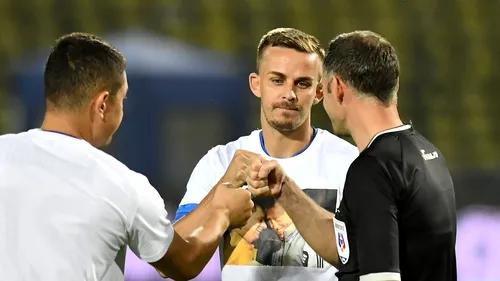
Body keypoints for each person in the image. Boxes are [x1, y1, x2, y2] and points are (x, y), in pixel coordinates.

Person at [0, 32, 254, 281]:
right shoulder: (121, 184)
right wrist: (223, 215)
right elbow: (182, 263)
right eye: (122, 100)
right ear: (102, 104)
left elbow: (165, 241)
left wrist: (220, 188)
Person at [245, 30, 457, 281]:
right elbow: (348, 247)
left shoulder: (372, 170)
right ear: (395, 85)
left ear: (338, 87)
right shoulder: (426, 153)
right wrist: (284, 189)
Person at [174, 28, 359, 281]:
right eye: (277, 80)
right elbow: (171, 257)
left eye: (302, 83)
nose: (289, 94)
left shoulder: (350, 163)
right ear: (256, 84)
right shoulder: (220, 161)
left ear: (318, 92)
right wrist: (222, 187)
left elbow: (370, 255)